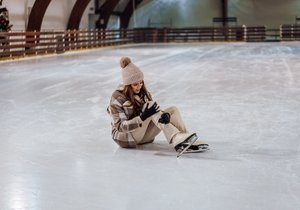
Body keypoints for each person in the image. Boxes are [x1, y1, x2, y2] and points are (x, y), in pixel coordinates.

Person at [108, 56, 208, 154]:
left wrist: (165, 116)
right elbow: (120, 127)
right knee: (150, 106)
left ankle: (185, 139)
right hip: (126, 138)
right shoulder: (117, 97)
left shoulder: (143, 93)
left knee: (172, 110)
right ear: (127, 85)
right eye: (135, 84)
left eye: (141, 83)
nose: (139, 86)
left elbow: (154, 113)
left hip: (144, 136)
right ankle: (176, 138)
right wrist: (142, 118)